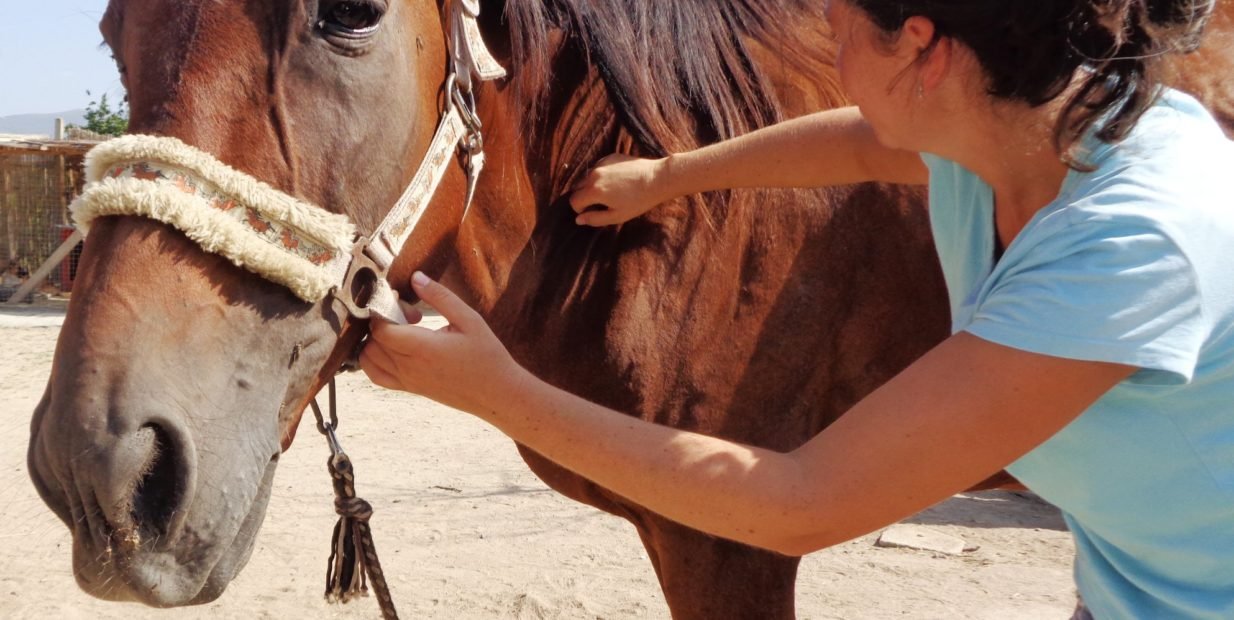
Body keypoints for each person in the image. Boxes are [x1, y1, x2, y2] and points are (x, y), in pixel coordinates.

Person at [360, 0, 1234, 617]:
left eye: (842, 23)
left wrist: (492, 391)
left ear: (923, 50)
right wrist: (672, 176)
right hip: (1136, 589)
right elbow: (857, 139)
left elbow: (801, 501)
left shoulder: (1126, 247)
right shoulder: (1030, 134)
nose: (824, 36)